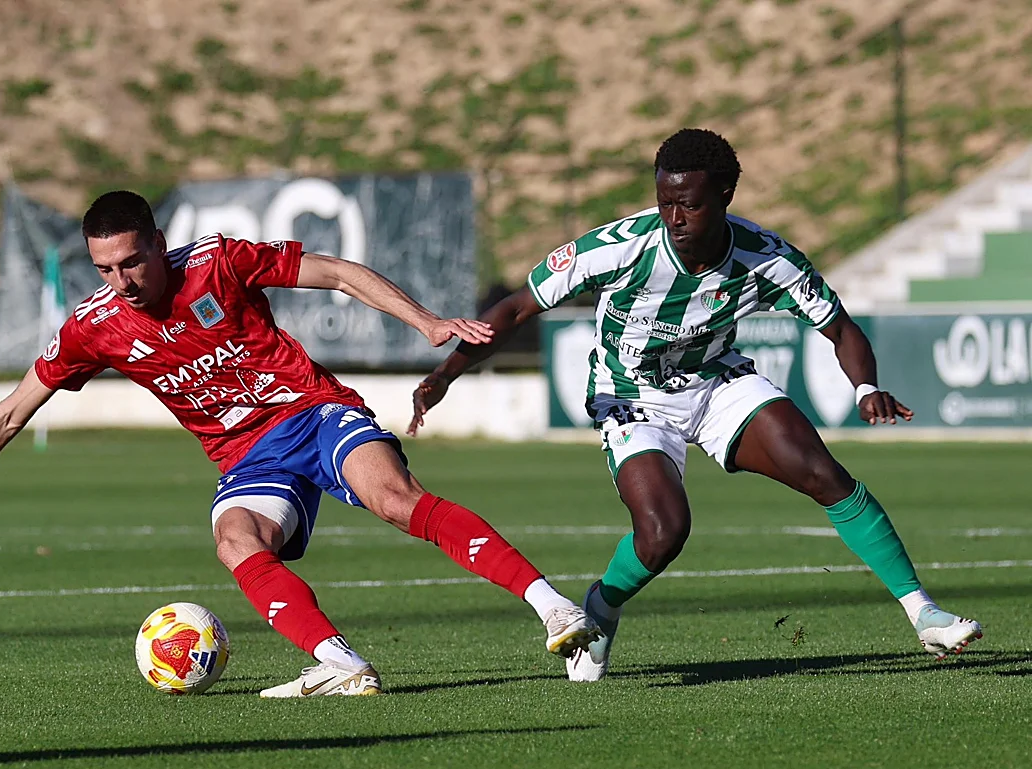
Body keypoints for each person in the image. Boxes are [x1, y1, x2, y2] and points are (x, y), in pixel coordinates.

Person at [0, 190, 599, 697]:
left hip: (312, 411)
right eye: (105, 269)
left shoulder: (216, 262)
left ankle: (555, 609)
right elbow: (7, 414)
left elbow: (337, 273)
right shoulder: (95, 326)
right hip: (246, 456)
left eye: (132, 262)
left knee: (394, 499)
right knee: (235, 538)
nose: (121, 281)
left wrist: (426, 322)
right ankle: (341, 665)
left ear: (158, 243)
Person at [408, 128, 983, 682]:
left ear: (725, 196)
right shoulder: (622, 246)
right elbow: (514, 311)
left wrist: (865, 387)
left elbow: (840, 328)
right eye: (665, 203)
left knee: (822, 471)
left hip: (715, 383)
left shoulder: (766, 256)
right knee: (663, 532)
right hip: (631, 394)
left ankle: (923, 613)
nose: (675, 219)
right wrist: (446, 374)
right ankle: (602, 605)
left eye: (689, 204)